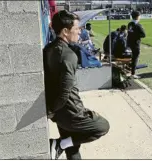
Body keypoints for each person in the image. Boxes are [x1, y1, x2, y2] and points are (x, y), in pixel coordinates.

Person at [43, 10, 110, 160]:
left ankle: (63, 144)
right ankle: (60, 143)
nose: (80, 31)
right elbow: (64, 92)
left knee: (72, 149)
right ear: (65, 31)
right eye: (77, 28)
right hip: (70, 113)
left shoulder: (47, 49)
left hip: (60, 112)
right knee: (103, 127)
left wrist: (52, 111)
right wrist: (52, 111)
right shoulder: (68, 55)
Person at [127, 11, 146, 79]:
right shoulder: (138, 25)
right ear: (137, 16)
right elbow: (143, 35)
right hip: (135, 44)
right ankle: (133, 73)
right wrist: (136, 35)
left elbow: (129, 33)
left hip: (129, 43)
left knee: (131, 57)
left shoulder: (129, 24)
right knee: (135, 58)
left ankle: (130, 70)